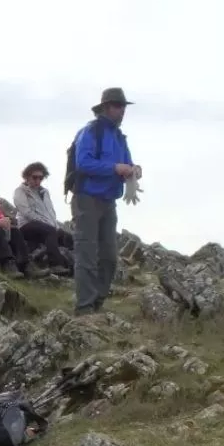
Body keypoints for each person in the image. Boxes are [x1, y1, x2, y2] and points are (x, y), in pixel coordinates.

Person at [70, 88, 139, 315]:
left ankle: (97, 302)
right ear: (107, 107)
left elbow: (127, 162)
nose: (122, 111)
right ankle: (84, 307)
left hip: (109, 201)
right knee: (87, 254)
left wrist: (134, 169)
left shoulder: (120, 137)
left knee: (109, 256)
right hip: (87, 199)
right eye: (119, 106)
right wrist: (114, 168)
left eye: (124, 107)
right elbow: (83, 163)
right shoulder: (91, 132)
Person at [13, 162, 74, 276]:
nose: (37, 180)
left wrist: (55, 226)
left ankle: (78, 268)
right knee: (50, 231)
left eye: (40, 178)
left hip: (46, 225)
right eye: (34, 177)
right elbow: (26, 212)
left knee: (69, 238)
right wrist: (48, 225)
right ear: (27, 176)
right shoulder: (20, 191)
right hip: (27, 225)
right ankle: (55, 264)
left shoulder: (45, 192)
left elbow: (50, 212)